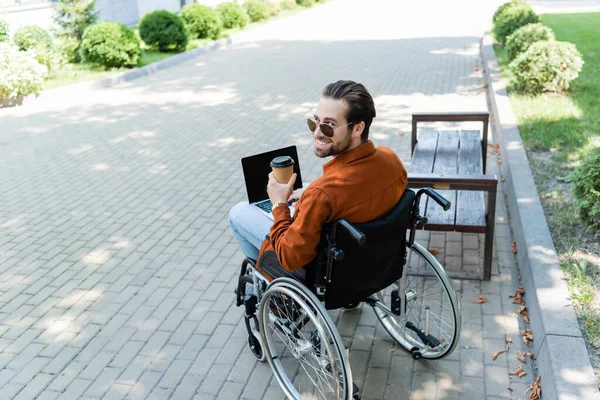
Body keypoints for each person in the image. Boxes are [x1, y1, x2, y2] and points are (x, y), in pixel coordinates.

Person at [229, 80, 408, 275]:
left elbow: (289, 257)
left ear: (357, 128)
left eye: (329, 125)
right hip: (371, 262)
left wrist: (279, 204)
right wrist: (309, 194)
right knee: (306, 187)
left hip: (323, 270)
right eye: (315, 121)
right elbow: (355, 194)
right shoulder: (391, 159)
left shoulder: (322, 194)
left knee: (238, 213)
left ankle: (259, 283)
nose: (316, 133)